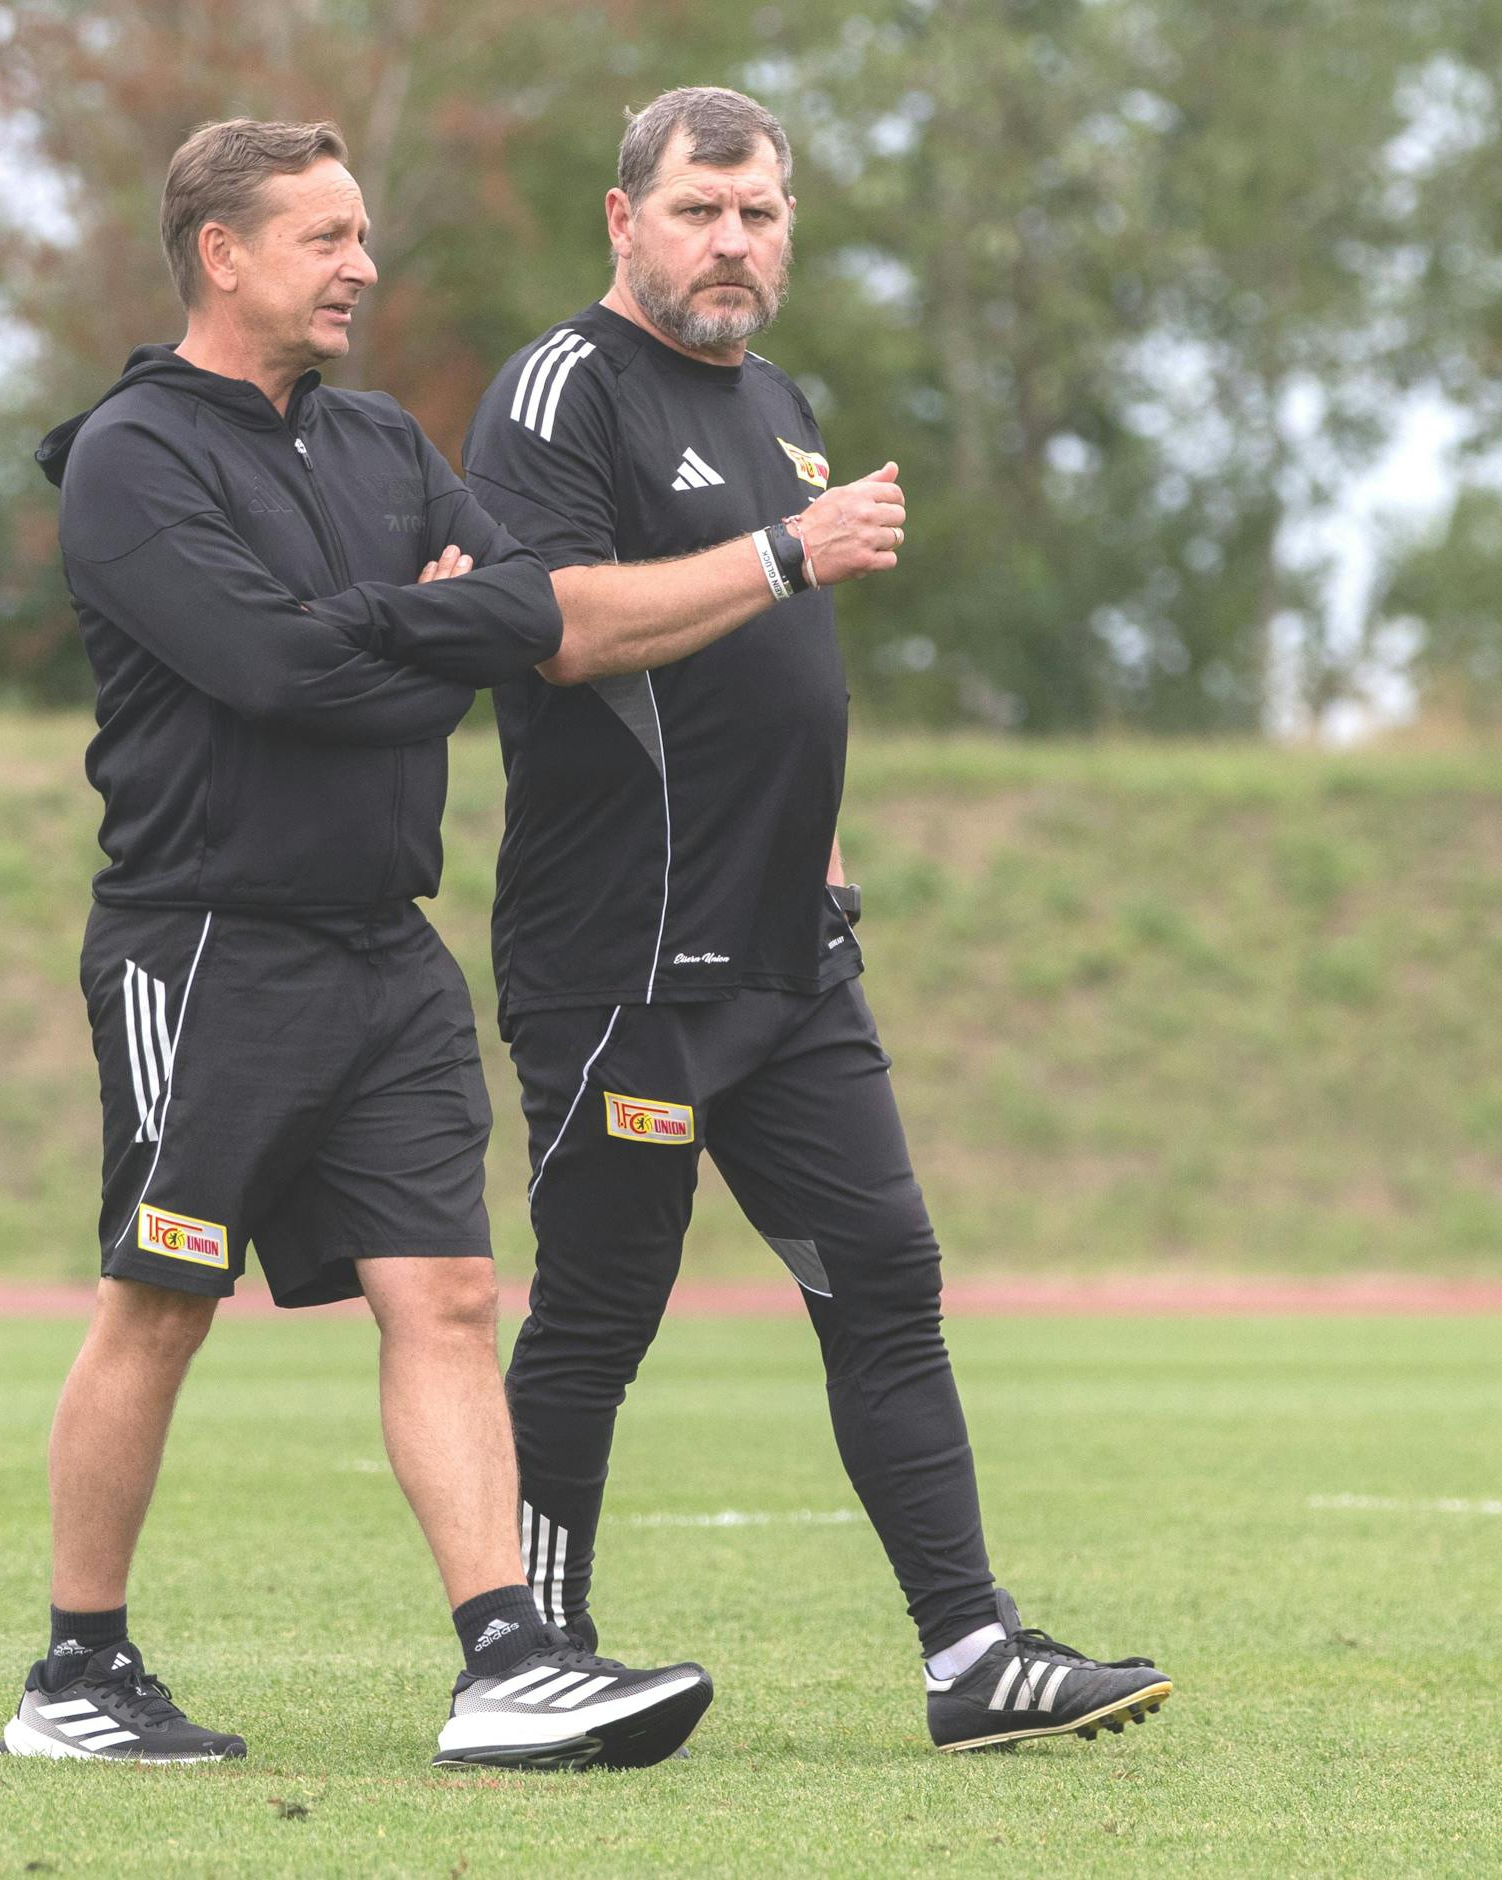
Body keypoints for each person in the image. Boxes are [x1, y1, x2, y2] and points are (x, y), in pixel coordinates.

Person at [462, 86, 1173, 1753]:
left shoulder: (780, 400)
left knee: (888, 1273)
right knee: (600, 1308)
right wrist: (791, 548)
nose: (732, 241)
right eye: (700, 209)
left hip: (790, 954)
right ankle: (532, 1658)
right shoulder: (561, 390)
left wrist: (828, 843)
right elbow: (558, 626)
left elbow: (783, 680)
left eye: (759, 212)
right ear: (623, 218)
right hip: (624, 960)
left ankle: (971, 1654)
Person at [6, 117, 711, 1771]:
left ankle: (506, 1663)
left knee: (453, 1293)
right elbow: (274, 675)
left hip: (385, 954)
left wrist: (419, 626)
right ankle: (75, 1675)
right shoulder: (132, 456)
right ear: (223, 253)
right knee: (160, 1302)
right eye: (325, 237)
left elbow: (532, 606)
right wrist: (435, 630)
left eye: (362, 234)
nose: (364, 267)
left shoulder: (385, 437)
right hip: (205, 944)